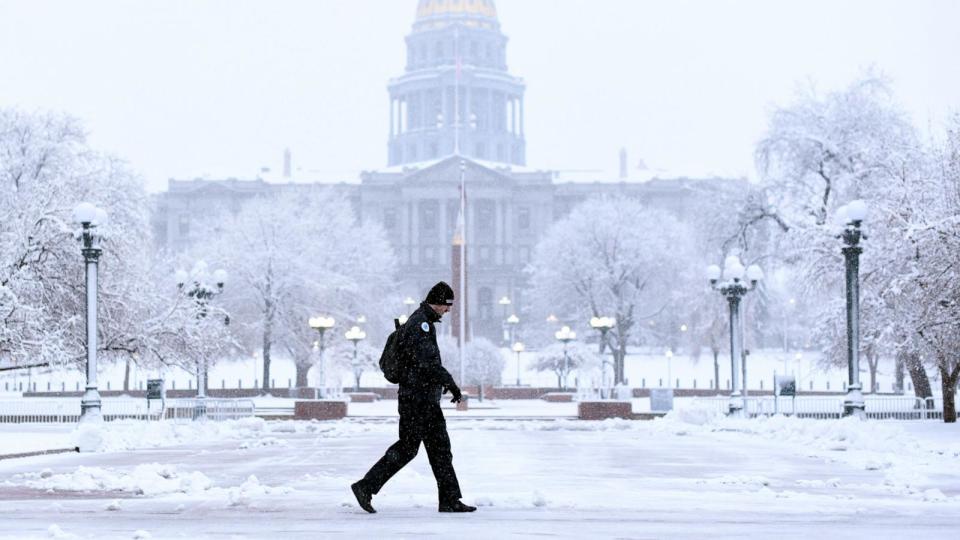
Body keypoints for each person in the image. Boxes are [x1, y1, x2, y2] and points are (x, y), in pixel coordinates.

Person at [351, 281, 477, 514]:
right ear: (437, 302)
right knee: (413, 448)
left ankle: (449, 499)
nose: (448, 310)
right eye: (446, 305)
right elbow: (427, 363)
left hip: (421, 399)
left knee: (437, 449)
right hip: (418, 401)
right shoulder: (420, 325)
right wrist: (450, 382)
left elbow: (425, 364)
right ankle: (366, 486)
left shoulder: (423, 321)